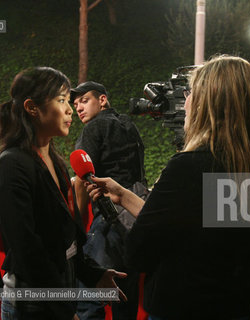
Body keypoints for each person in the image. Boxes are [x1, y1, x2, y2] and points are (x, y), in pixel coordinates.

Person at [85, 55, 250, 319]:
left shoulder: (188, 167)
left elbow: (138, 252)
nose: (184, 102)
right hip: (238, 306)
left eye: (190, 93)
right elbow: (192, 225)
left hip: (184, 308)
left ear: (206, 104)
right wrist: (125, 196)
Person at [0, 67, 126, 320]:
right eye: (62, 100)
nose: (69, 110)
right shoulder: (11, 164)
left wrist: (92, 273)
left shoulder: (57, 162)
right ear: (33, 107)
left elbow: (65, 239)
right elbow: (27, 251)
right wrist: (64, 311)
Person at [71, 81, 147, 320]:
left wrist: (78, 227)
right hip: (135, 220)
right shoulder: (129, 125)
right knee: (125, 295)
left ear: (102, 100)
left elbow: (82, 180)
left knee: (87, 295)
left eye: (84, 101)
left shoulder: (93, 129)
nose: (78, 109)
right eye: (75, 104)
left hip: (108, 221)